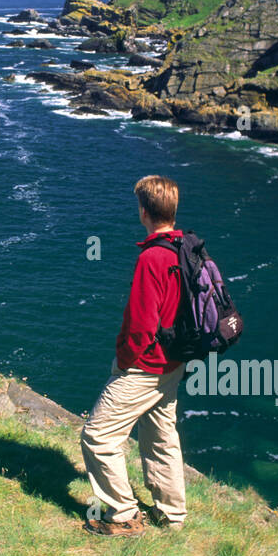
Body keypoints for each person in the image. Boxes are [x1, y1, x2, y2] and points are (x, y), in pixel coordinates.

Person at [81, 174, 187, 536]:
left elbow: (142, 325)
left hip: (145, 366)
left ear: (144, 211)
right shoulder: (187, 248)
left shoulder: (152, 258)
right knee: (160, 436)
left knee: (98, 435)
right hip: (174, 361)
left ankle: (125, 514)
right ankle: (172, 515)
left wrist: (124, 361)